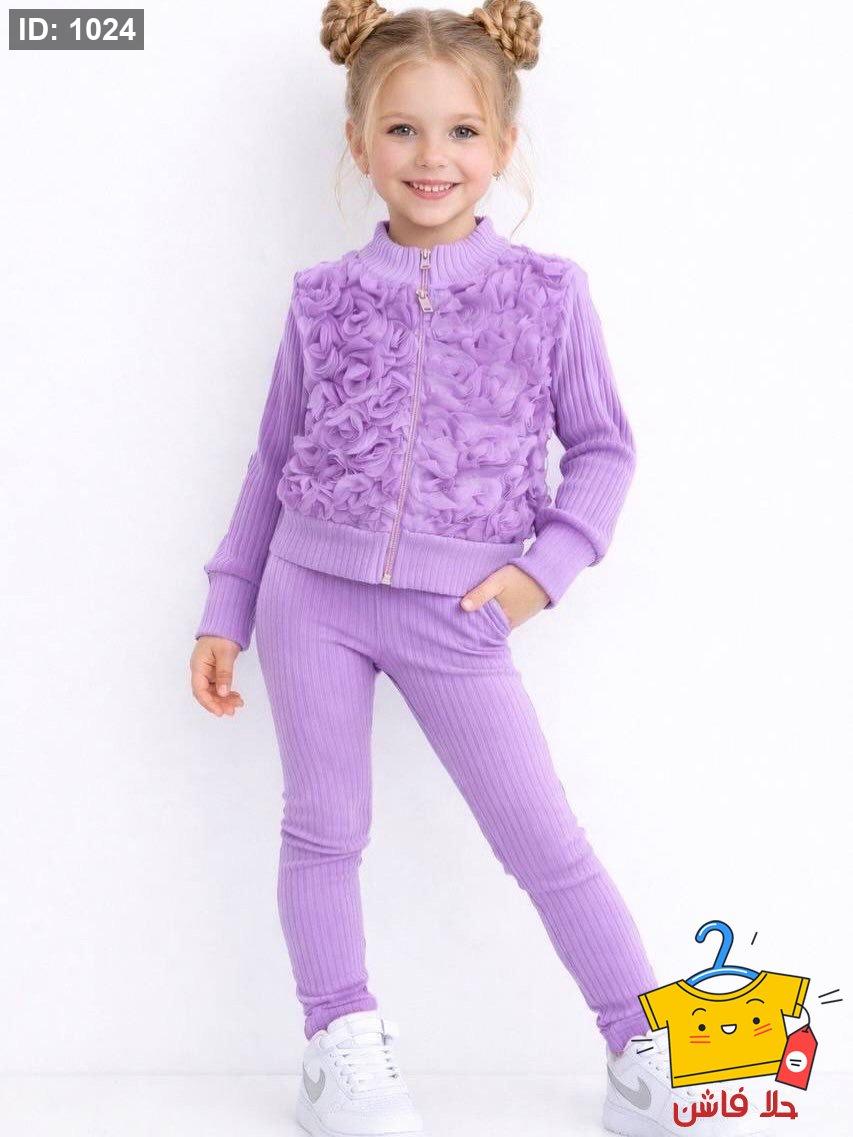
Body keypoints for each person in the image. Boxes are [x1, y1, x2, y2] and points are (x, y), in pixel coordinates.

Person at [188, 4, 732, 1135]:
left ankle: (642, 1043)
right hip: (309, 598)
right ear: (357, 143)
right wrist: (226, 605)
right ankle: (338, 1044)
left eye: (461, 131)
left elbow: (603, 448)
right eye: (401, 129)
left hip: (459, 612)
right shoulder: (323, 298)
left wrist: (545, 569)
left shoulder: (547, 293)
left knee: (543, 837)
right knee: (324, 827)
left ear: (503, 144)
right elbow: (272, 458)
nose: (430, 157)